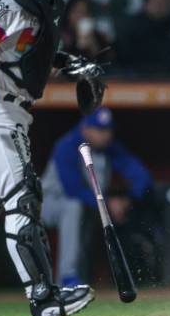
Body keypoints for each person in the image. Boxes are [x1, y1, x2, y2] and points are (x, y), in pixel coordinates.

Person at [0, 0, 95, 316]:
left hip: (7, 110)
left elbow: (20, 51)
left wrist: (69, 63)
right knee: (22, 197)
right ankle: (43, 298)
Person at [41, 107, 154, 287]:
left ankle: (134, 276)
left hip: (89, 204)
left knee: (92, 212)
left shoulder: (109, 148)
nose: (106, 135)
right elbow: (73, 189)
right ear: (85, 128)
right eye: (100, 130)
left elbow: (142, 176)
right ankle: (67, 279)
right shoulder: (68, 145)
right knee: (73, 207)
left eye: (108, 130)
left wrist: (127, 200)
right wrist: (109, 204)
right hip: (48, 203)